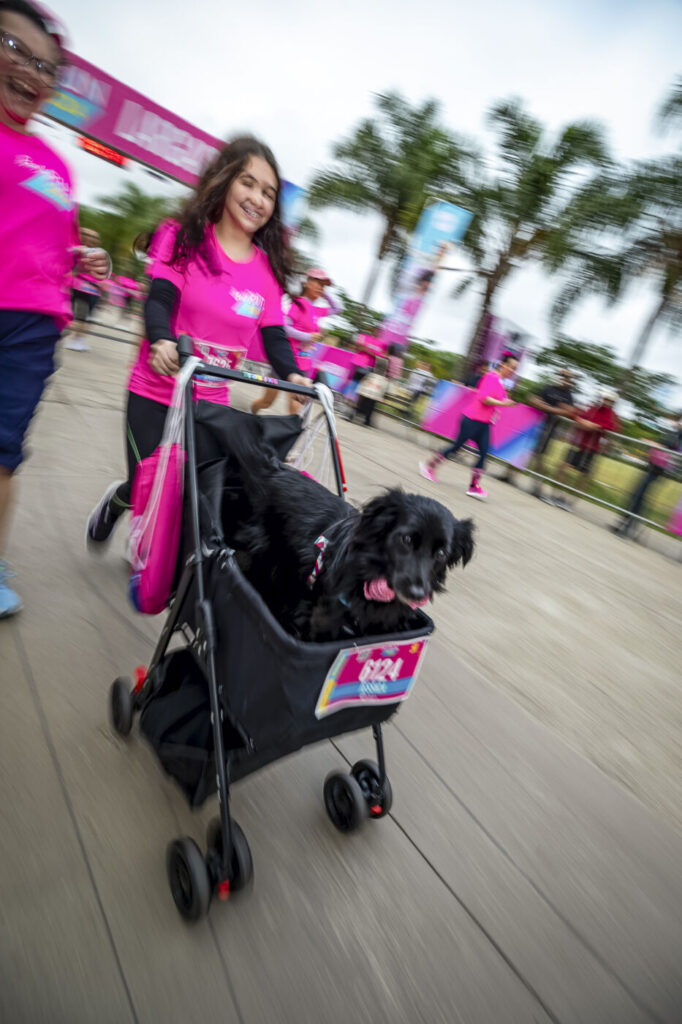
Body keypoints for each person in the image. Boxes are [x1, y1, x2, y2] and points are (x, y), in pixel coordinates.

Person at [86, 135, 308, 549]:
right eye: (248, 183)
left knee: (194, 497)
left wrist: (295, 376)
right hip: (155, 391)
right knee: (145, 485)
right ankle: (117, 504)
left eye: (268, 193)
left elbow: (275, 336)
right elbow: (161, 298)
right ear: (224, 182)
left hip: (210, 405)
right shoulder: (182, 236)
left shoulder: (267, 272)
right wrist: (161, 340)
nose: (257, 199)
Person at [0, 0, 109, 617]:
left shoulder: (57, 166)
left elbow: (56, 244)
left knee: (3, 451)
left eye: (47, 68)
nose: (33, 75)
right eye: (16, 51)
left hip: (31, 327)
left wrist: (83, 261)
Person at [419, 352, 518, 500]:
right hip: (471, 420)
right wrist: (503, 403)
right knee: (456, 447)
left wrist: (505, 403)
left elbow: (499, 399)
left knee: (484, 453)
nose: (512, 371)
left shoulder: (501, 383)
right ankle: (429, 467)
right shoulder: (491, 377)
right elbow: (484, 398)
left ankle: (474, 486)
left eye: (515, 369)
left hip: (485, 424)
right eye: (510, 367)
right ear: (502, 364)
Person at [251, 267, 340, 415]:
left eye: (323, 285)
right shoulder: (297, 304)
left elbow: (338, 309)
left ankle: (288, 435)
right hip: (285, 362)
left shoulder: (317, 310)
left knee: (296, 409)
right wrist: (308, 337)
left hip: (303, 366)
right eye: (318, 283)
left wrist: (325, 294)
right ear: (307, 283)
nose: (321, 288)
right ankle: (251, 413)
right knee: (266, 402)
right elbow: (283, 328)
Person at [501, 367, 577, 497]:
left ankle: (538, 487)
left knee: (539, 457)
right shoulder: (548, 388)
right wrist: (552, 408)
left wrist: (545, 407)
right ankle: (508, 475)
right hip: (533, 424)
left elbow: (568, 411)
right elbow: (532, 399)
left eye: (567, 377)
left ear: (571, 380)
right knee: (521, 450)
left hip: (549, 429)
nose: (564, 378)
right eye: (561, 375)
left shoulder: (568, 396)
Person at [611, 414, 682, 538]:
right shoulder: (675, 432)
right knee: (637, 494)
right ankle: (625, 523)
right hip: (655, 466)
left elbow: (666, 445)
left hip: (659, 468)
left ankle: (628, 526)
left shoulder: (678, 434)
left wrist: (648, 442)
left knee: (639, 495)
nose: (675, 422)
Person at [550, 388, 620, 510]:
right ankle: (560, 495)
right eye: (603, 397)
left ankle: (570, 502)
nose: (604, 400)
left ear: (612, 402)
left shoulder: (611, 415)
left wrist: (581, 422)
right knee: (562, 467)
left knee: (582, 477)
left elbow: (592, 426)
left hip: (591, 449)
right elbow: (576, 415)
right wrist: (580, 421)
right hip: (578, 444)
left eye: (608, 399)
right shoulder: (592, 407)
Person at [63, 226, 103, 351]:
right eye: (87, 234)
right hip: (76, 286)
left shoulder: (98, 252)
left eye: (94, 237)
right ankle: (73, 339)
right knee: (77, 315)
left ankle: (79, 339)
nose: (90, 238)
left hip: (93, 289)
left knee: (88, 317)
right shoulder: (74, 247)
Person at [352, 356, 388, 427]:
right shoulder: (384, 379)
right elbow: (383, 389)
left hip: (366, 392)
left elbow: (364, 381)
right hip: (375, 394)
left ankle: (357, 414)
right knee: (371, 404)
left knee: (363, 401)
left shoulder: (370, 374)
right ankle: (367, 420)